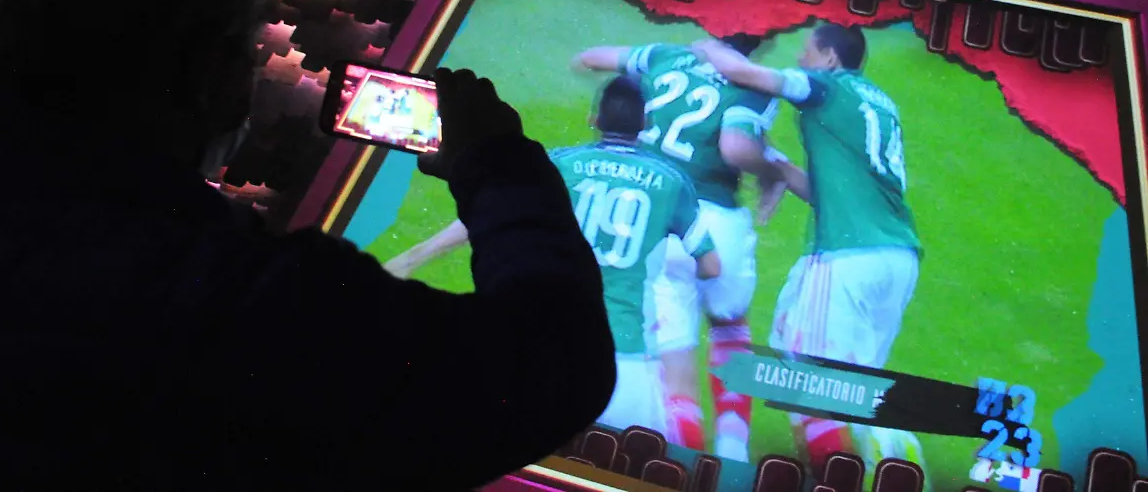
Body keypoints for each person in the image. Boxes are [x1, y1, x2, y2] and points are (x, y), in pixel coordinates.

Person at [0, 0, 614, 489]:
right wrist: (497, 162)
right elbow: (554, 365)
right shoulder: (249, 313)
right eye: (247, 32)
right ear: (214, 72)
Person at [385, 76, 720, 442]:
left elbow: (490, 209)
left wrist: (413, 257)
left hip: (549, 352)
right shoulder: (671, 181)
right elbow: (711, 266)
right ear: (644, 124)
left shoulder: (559, 164)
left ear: (595, 119)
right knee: (631, 462)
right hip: (624, 364)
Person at [692, 24, 925, 479]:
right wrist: (777, 167)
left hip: (847, 255)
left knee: (802, 377)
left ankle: (866, 459)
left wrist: (709, 48)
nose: (800, 58)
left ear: (830, 58)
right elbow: (828, 192)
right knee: (844, 384)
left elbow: (750, 75)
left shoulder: (827, 87)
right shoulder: (880, 102)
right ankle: (883, 462)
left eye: (807, 51)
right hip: (897, 258)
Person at [572, 34, 781, 462]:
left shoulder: (665, 56)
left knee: (675, 363)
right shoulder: (756, 82)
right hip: (719, 221)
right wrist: (771, 170)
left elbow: (593, 56)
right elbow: (736, 146)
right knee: (729, 326)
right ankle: (733, 449)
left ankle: (684, 465)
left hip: (660, 218)